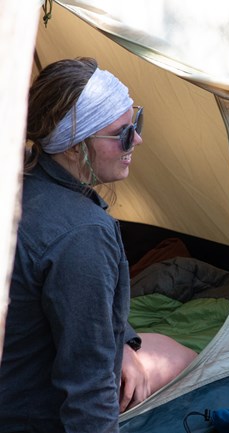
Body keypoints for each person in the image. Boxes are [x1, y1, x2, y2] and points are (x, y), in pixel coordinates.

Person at [0, 57, 196, 433]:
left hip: (13, 379)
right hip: (32, 412)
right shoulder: (83, 234)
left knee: (161, 350)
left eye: (135, 122)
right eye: (122, 132)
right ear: (75, 148)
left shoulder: (23, 177)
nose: (137, 139)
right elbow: (88, 383)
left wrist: (120, 339)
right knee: (184, 359)